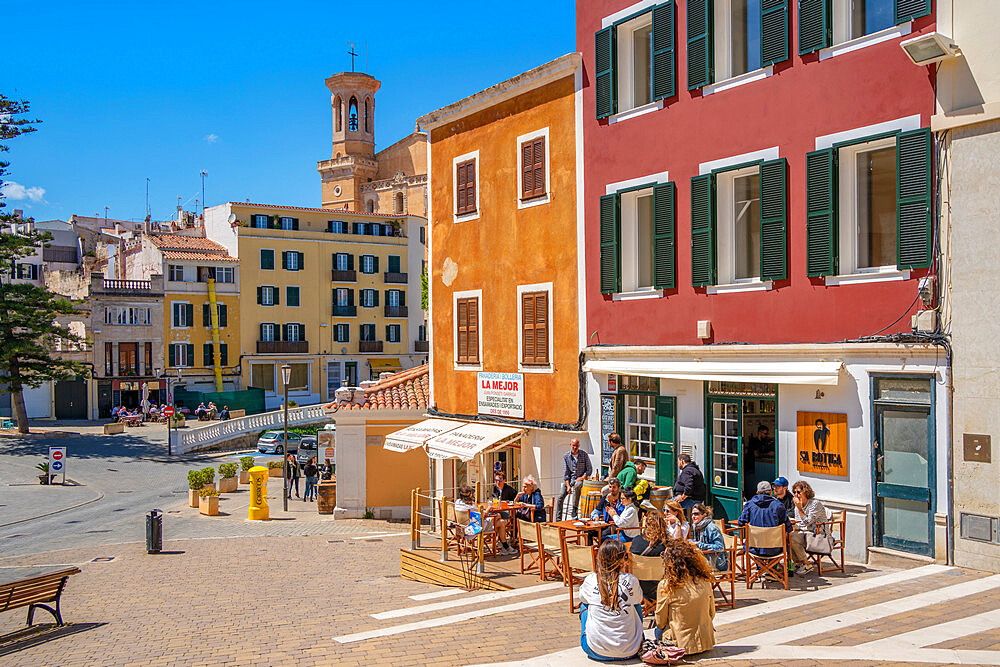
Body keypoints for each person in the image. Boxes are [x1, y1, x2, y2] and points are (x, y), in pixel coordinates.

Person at [579, 539, 644, 661]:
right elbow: (638, 599)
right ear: (621, 560)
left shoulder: (591, 579)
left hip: (596, 650)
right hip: (631, 650)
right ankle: (636, 635)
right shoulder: (631, 580)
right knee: (635, 605)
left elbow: (583, 598)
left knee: (585, 606)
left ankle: (599, 637)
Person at [654, 539, 716, 656]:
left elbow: (660, 621)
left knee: (657, 631)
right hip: (705, 641)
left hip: (680, 643)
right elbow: (711, 613)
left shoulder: (666, 585)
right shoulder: (704, 580)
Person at [737, 480, 792, 557]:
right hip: (775, 548)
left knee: (754, 547)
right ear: (770, 492)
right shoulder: (778, 505)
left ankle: (761, 567)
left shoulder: (750, 504)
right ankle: (771, 567)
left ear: (757, 492)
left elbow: (741, 522)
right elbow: (788, 527)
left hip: (755, 548)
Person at [629, 509, 670, 601]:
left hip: (639, 586)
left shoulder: (637, 541)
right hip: (661, 587)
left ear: (646, 525)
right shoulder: (667, 545)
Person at [789, 480, 828, 575]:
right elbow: (801, 523)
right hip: (806, 532)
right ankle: (798, 562)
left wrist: (799, 508)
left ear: (806, 492)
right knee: (788, 536)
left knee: (793, 537)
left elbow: (807, 522)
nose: (796, 495)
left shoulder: (815, 504)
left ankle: (807, 564)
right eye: (794, 492)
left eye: (798, 492)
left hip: (819, 535)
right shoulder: (798, 505)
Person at [557, 438, 593, 521]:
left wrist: (583, 477)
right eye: (573, 445)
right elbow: (566, 473)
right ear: (570, 445)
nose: (575, 447)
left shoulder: (584, 455)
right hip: (570, 480)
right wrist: (568, 486)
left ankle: (574, 509)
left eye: (576, 446)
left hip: (580, 480)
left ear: (579, 446)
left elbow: (589, 469)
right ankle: (558, 519)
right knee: (560, 497)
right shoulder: (566, 456)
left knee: (577, 486)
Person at [690, 503, 727, 571]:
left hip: (718, 563)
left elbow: (720, 547)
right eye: (692, 514)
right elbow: (700, 541)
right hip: (704, 557)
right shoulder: (697, 526)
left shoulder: (712, 528)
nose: (693, 516)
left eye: (696, 514)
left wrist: (698, 544)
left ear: (704, 515)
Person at [488, 472, 516, 554]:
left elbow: (515, 501)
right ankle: (503, 543)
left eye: (499, 480)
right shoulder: (495, 488)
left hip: (507, 511)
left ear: (504, 480)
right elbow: (494, 499)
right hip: (498, 510)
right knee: (499, 520)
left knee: (498, 516)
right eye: (496, 480)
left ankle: (493, 534)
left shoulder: (509, 489)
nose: (497, 482)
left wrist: (506, 502)